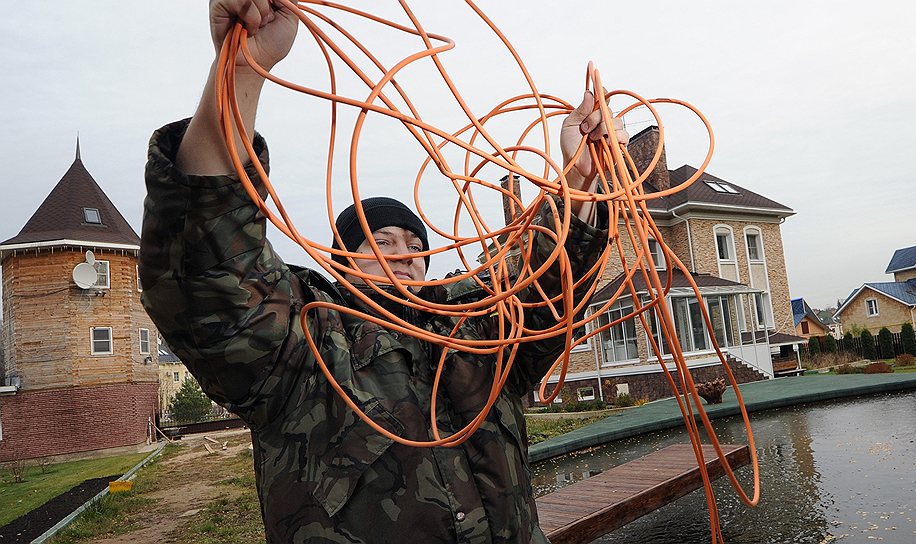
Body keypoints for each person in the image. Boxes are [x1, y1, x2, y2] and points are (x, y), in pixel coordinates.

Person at [139, 1, 629, 542]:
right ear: (341, 260)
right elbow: (214, 267)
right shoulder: (302, 345)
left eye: (415, 245)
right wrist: (240, 70)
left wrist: (581, 178)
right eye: (381, 241)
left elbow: (545, 287)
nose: (404, 253)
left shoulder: (478, 327)